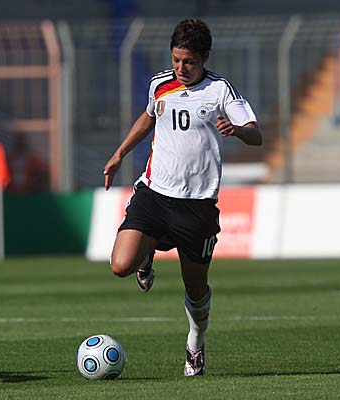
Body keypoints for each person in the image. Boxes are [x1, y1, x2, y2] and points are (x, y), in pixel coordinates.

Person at [103, 19, 262, 377]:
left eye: (188, 61)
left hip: (197, 205)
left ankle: (195, 342)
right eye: (176, 60)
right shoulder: (160, 84)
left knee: (196, 289)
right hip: (154, 194)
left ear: (205, 57)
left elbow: (256, 135)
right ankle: (146, 256)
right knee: (120, 265)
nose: (181, 68)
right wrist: (120, 154)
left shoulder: (220, 90)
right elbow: (148, 119)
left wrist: (237, 130)